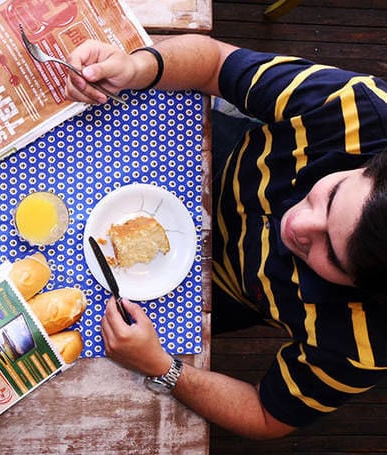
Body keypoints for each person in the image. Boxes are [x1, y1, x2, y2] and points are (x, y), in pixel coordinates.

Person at [65, 35, 387, 439]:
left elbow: (268, 417)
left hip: (225, 292)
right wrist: (135, 68)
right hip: (214, 153)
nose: (297, 225)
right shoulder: (362, 111)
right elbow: (216, 63)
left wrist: (164, 367)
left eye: (333, 254)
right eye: (331, 195)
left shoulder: (365, 344)